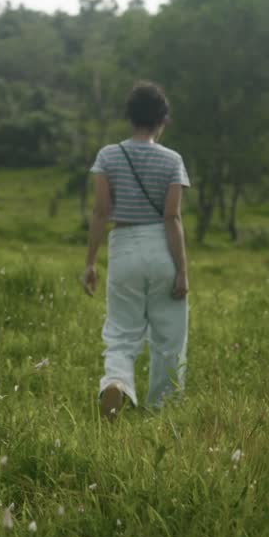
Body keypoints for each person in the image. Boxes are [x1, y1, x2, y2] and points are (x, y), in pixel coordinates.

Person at [82, 81, 190, 420]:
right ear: (162, 120)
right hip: (162, 249)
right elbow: (172, 217)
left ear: (130, 117)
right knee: (169, 337)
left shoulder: (108, 156)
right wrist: (182, 270)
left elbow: (101, 212)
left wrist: (90, 263)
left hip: (124, 247)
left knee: (121, 331)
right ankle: (162, 409)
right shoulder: (172, 160)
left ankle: (117, 382)